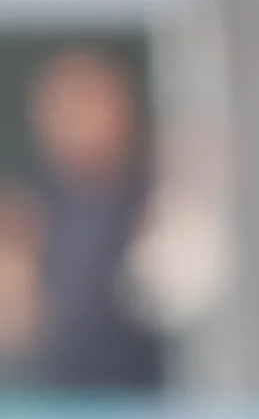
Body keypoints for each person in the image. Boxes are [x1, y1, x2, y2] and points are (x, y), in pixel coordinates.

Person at [24, 48, 166, 394]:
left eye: (87, 103)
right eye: (62, 107)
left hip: (149, 405)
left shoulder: (156, 195)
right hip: (65, 405)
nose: (74, 119)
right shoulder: (36, 210)